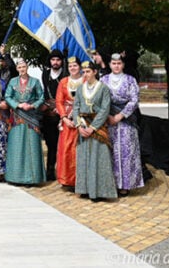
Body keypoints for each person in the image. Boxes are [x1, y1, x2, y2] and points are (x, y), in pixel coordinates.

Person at [72, 61, 117, 201]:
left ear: (95, 72)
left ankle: (100, 191)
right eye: (84, 72)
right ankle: (84, 189)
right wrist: (79, 125)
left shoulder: (103, 88)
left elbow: (105, 110)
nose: (86, 74)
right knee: (84, 157)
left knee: (99, 157)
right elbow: (76, 108)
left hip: (97, 127)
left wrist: (93, 127)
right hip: (83, 126)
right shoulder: (80, 89)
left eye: (88, 71)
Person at [102, 53, 144, 196]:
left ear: (123, 65)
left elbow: (134, 100)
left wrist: (120, 116)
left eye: (119, 63)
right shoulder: (103, 80)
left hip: (126, 121)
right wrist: (107, 115)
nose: (116, 66)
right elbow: (99, 99)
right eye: (114, 63)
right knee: (110, 152)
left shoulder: (130, 80)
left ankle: (125, 185)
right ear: (109, 65)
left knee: (126, 152)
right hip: (108, 121)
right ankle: (110, 183)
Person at [4, 58, 46, 185]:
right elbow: (7, 96)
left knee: (31, 146)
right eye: (20, 68)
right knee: (16, 147)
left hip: (31, 117)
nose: (22, 70)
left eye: (24, 67)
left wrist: (32, 106)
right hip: (17, 117)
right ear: (17, 69)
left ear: (27, 68)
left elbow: (41, 97)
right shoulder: (12, 81)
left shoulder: (35, 82)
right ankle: (15, 177)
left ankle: (32, 178)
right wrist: (17, 105)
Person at [55, 56, 82, 188]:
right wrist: (64, 118)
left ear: (80, 67)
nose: (73, 68)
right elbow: (59, 101)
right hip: (67, 120)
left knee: (79, 150)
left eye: (75, 66)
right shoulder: (64, 82)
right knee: (66, 149)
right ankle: (66, 179)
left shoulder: (86, 80)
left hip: (82, 119)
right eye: (70, 66)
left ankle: (80, 178)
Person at [41, 49, 66, 181]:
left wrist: (60, 107)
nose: (55, 62)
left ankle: (64, 171)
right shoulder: (45, 74)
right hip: (48, 114)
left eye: (58, 60)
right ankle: (50, 169)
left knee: (63, 144)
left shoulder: (66, 74)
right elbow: (45, 92)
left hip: (63, 114)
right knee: (50, 144)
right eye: (53, 60)